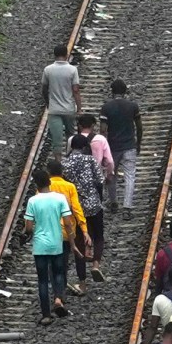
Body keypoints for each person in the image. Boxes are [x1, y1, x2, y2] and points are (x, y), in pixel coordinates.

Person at [23, 174, 75, 320]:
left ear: (37, 185)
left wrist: (29, 233)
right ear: (49, 183)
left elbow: (28, 227)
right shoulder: (60, 199)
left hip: (40, 246)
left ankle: (46, 315)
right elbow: (67, 222)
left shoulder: (32, 201)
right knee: (58, 273)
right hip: (56, 243)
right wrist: (72, 241)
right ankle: (58, 299)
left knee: (42, 280)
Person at [44, 156, 95, 296]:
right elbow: (77, 209)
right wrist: (84, 230)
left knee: (51, 263)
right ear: (62, 172)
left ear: (48, 172)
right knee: (63, 262)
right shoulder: (69, 187)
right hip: (67, 232)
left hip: (48, 231)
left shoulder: (44, 187)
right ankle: (61, 292)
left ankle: (57, 292)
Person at [64, 132, 110, 283]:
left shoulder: (65, 163)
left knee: (78, 243)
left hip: (76, 209)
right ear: (85, 147)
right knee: (98, 236)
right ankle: (96, 264)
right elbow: (100, 180)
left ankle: (82, 282)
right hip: (94, 204)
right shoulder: (90, 160)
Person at [102, 78, 143, 211]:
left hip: (113, 147)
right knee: (130, 176)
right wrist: (138, 143)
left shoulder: (106, 107)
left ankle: (113, 201)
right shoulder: (132, 106)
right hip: (129, 145)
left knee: (111, 174)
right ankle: (127, 206)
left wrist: (104, 147)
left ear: (112, 92)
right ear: (125, 92)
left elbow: (103, 130)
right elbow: (139, 126)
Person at [41, 49, 83, 151]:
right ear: (67, 54)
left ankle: (58, 162)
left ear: (54, 55)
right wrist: (79, 109)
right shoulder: (72, 70)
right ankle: (70, 160)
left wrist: (48, 103)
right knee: (70, 137)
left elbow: (44, 89)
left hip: (54, 110)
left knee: (57, 140)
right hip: (69, 109)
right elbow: (76, 90)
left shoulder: (48, 69)